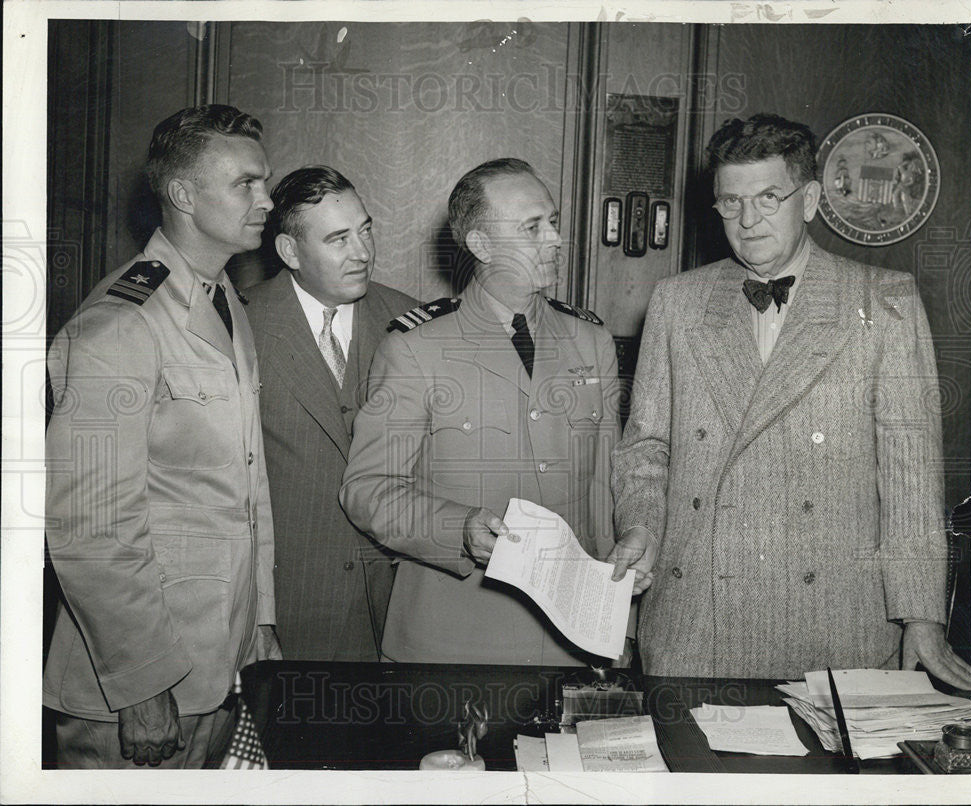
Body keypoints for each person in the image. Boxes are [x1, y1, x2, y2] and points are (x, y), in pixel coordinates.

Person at [609, 113, 971, 689]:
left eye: (768, 197)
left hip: (835, 626)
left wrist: (921, 616)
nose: (748, 221)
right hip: (697, 622)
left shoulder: (886, 300)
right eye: (730, 203)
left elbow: (910, 479)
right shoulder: (677, 302)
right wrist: (640, 529)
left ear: (808, 200)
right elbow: (646, 449)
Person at [43, 105, 281, 768]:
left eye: (264, 182)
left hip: (215, 659)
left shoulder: (221, 298)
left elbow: (246, 480)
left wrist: (258, 620)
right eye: (246, 184)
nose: (266, 199)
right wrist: (144, 686)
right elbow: (90, 527)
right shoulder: (119, 328)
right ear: (181, 195)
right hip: (138, 685)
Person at [340, 158, 621, 665]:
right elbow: (367, 488)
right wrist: (457, 529)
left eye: (553, 222)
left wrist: (619, 619)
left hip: (575, 643)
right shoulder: (416, 348)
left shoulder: (590, 339)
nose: (555, 239)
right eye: (532, 228)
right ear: (481, 245)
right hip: (454, 642)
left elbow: (607, 486)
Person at [243, 166, 417, 660]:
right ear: (289, 252)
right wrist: (257, 618)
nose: (362, 253)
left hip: (396, 605)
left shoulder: (413, 323)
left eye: (365, 230)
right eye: (338, 239)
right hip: (288, 612)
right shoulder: (239, 325)